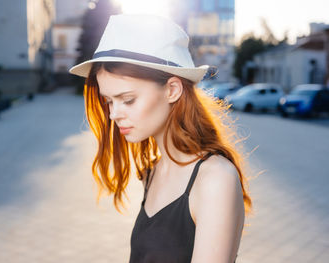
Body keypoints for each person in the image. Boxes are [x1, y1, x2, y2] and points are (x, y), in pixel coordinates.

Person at [69, 14, 253, 263]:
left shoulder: (215, 179)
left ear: (172, 90)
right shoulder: (152, 170)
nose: (113, 114)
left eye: (128, 100)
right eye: (108, 101)